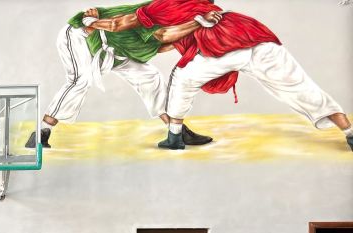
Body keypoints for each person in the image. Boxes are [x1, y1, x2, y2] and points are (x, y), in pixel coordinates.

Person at [91, 0, 353, 151]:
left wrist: (91, 22)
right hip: (258, 38)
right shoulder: (200, 4)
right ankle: (348, 130)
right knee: (300, 87)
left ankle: (174, 137)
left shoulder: (156, 9)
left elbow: (152, 32)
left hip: (223, 46)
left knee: (182, 79)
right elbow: (167, 43)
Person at [26, 4, 212, 149]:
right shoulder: (158, 11)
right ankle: (41, 132)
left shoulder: (180, 24)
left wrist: (196, 31)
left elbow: (160, 45)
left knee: (151, 76)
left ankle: (176, 133)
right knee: (80, 80)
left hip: (114, 51)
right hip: (80, 36)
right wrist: (92, 22)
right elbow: (123, 26)